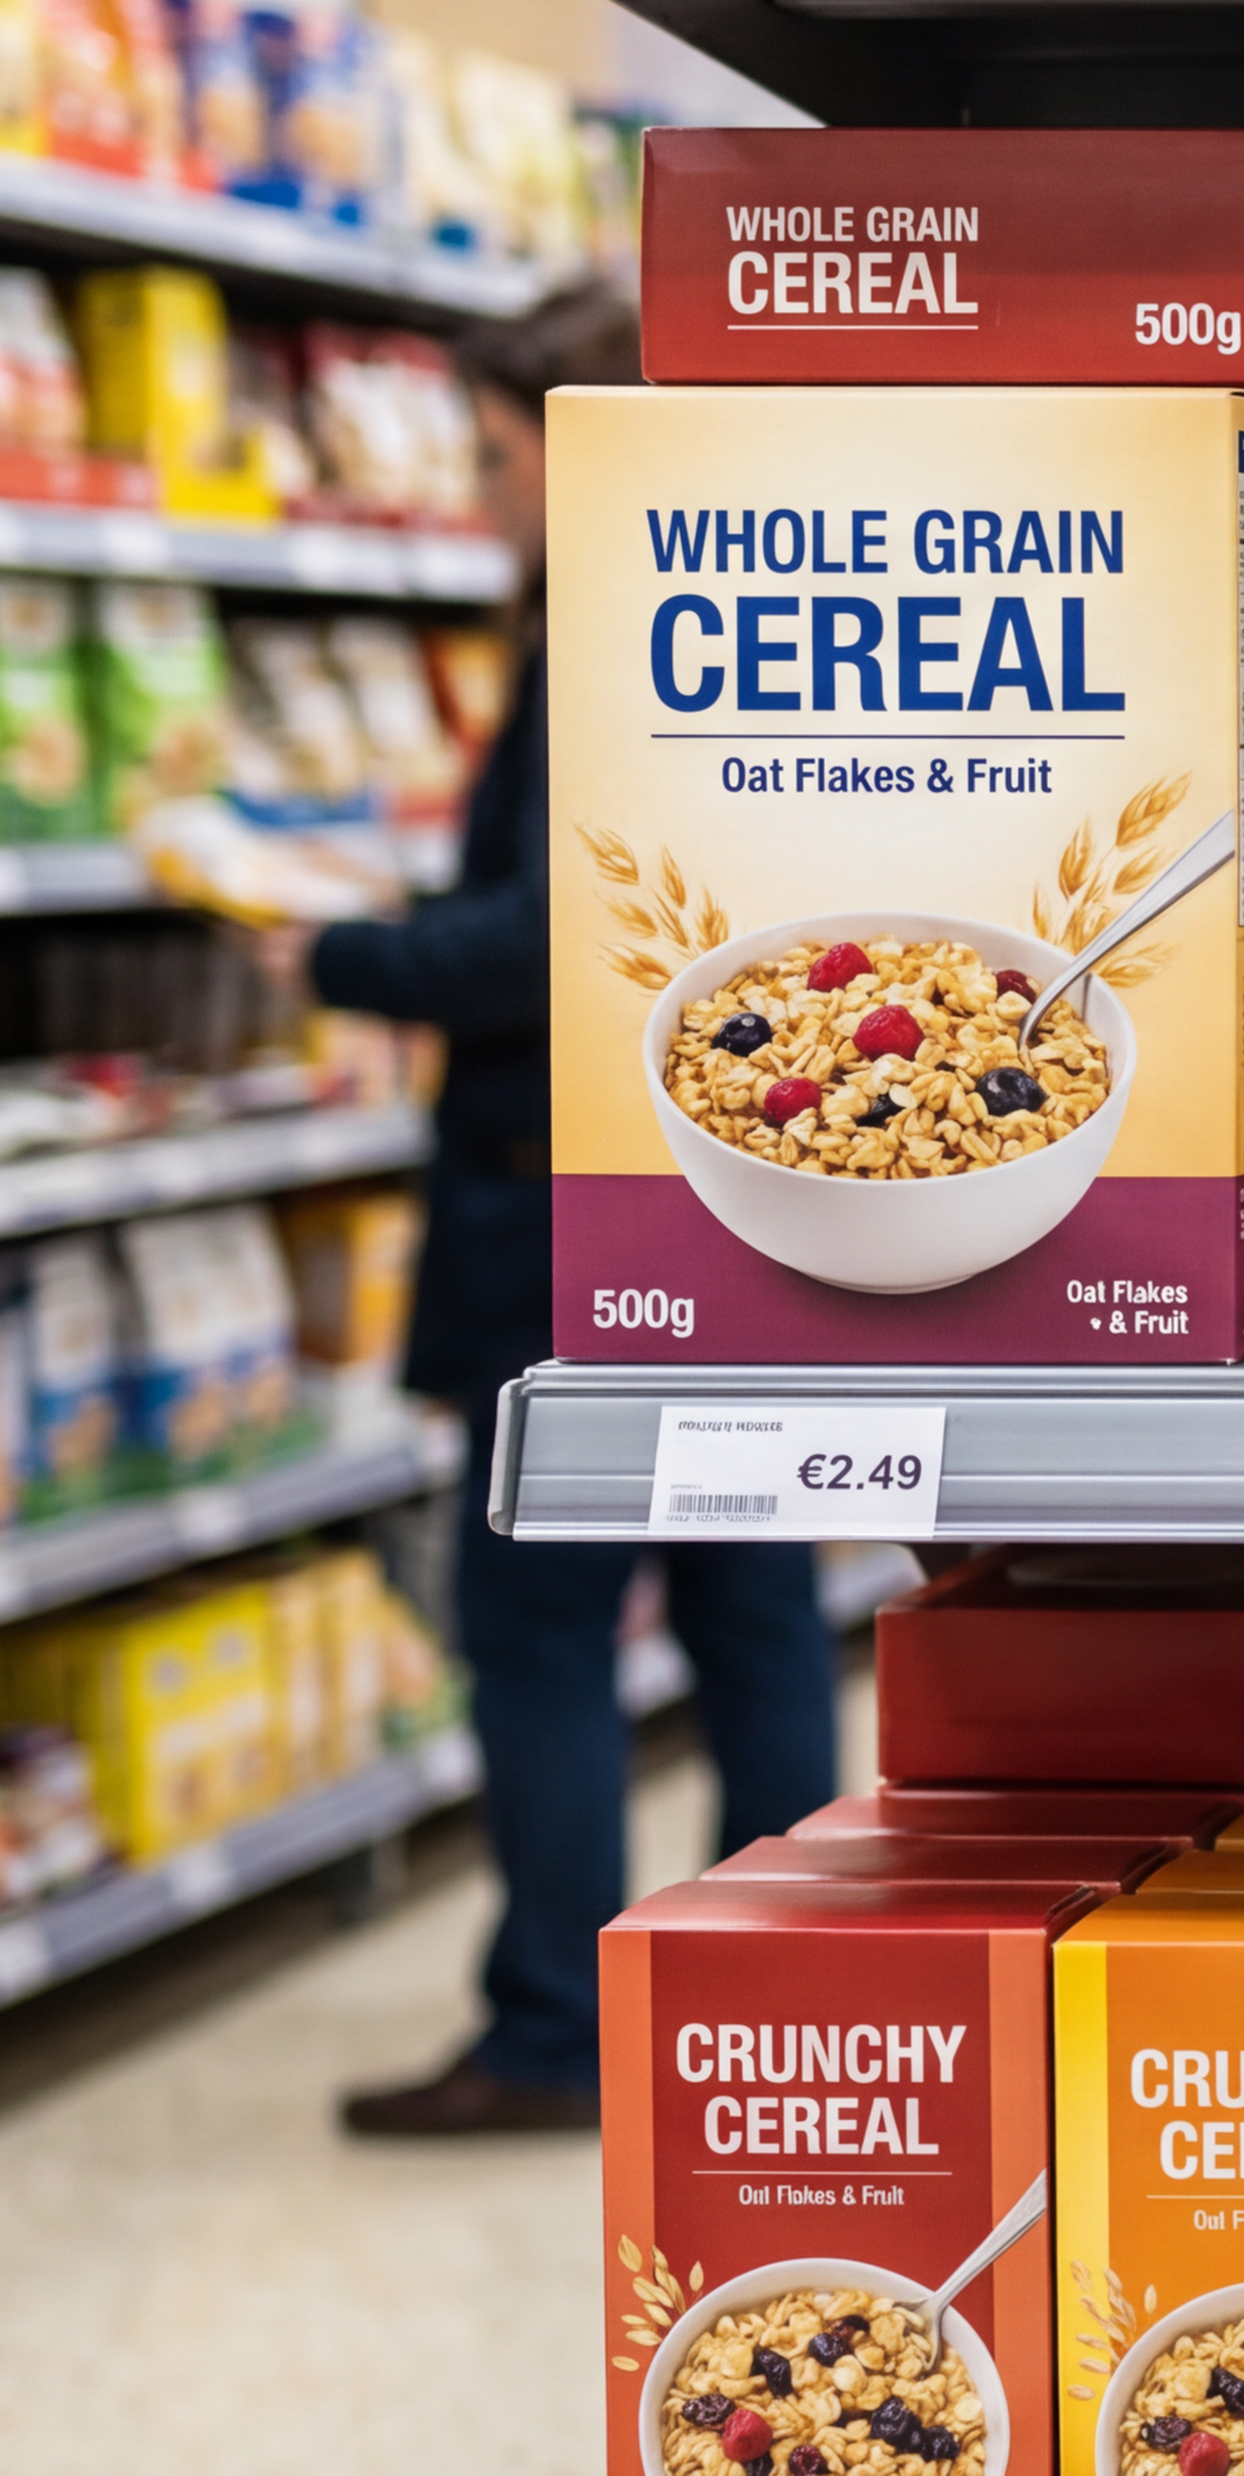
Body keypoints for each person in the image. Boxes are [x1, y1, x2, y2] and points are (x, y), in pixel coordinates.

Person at [305, 327, 843, 2137]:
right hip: (717, 1195)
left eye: (492, 457)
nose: (478, 496)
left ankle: (553, 2026)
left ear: (577, 446)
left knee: (536, 1616)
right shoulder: (729, 629)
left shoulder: (597, 643)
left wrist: (345, 953)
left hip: (568, 1214)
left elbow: (546, 937)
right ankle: (781, 2001)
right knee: (751, 1598)